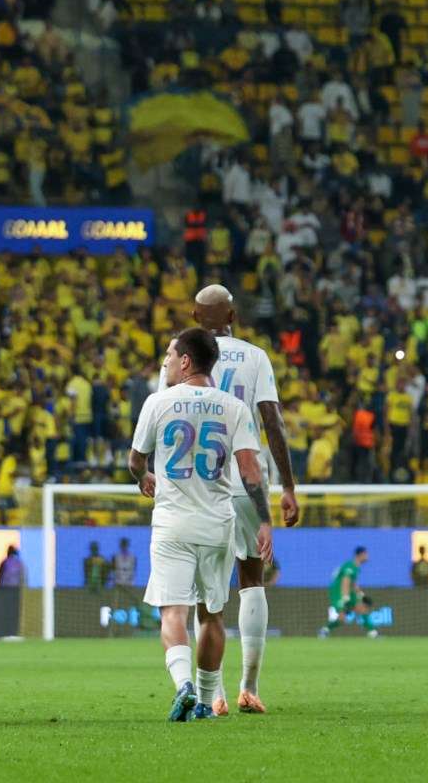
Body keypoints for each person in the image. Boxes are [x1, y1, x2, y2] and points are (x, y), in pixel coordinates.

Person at [155, 284, 299, 714]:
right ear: (233, 314)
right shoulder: (255, 356)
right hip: (246, 477)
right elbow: (272, 420)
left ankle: (211, 694)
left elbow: (163, 413)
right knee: (252, 579)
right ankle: (249, 687)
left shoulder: (181, 354)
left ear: (196, 319)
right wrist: (288, 485)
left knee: (208, 594)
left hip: (199, 482)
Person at [129, 328, 271, 722]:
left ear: (186, 361)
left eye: (170, 357)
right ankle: (208, 702)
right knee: (212, 615)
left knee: (173, 611)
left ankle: (183, 686)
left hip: (172, 523)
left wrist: (143, 479)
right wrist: (263, 520)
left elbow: (135, 461)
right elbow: (250, 472)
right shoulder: (233, 408)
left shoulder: (158, 403)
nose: (167, 364)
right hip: (217, 524)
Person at [326, 547, 367, 633]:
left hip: (347, 591)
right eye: (366, 554)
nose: (367, 557)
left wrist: (361, 594)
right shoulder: (350, 566)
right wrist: (345, 597)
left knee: (362, 609)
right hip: (338, 592)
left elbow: (353, 583)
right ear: (360, 555)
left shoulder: (355, 567)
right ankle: (325, 630)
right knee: (342, 618)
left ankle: (373, 633)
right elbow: (345, 581)